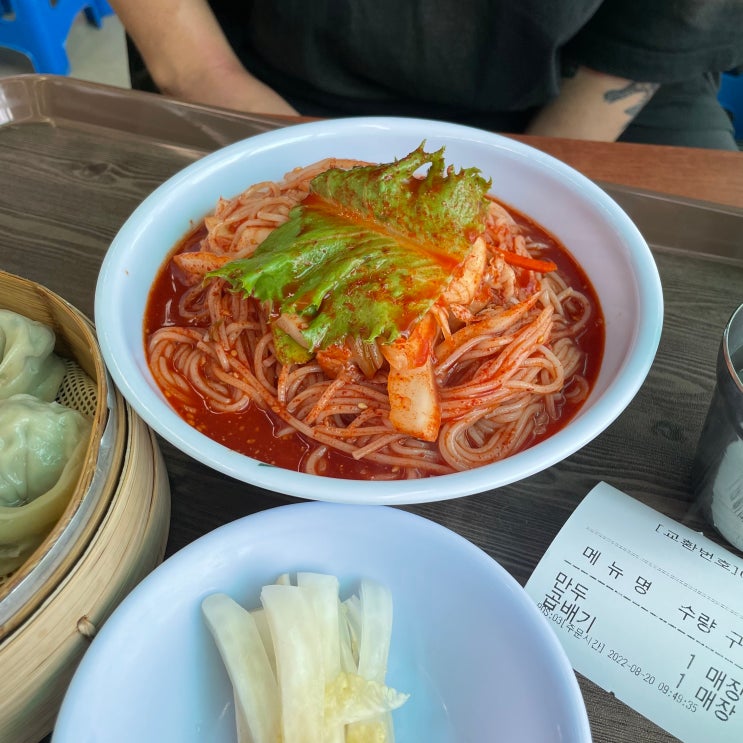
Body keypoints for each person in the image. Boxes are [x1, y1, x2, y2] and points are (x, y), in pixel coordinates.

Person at [109, 0, 743, 150]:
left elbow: (656, 33)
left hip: (590, 78)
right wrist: (330, 183)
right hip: (262, 77)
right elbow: (193, 64)